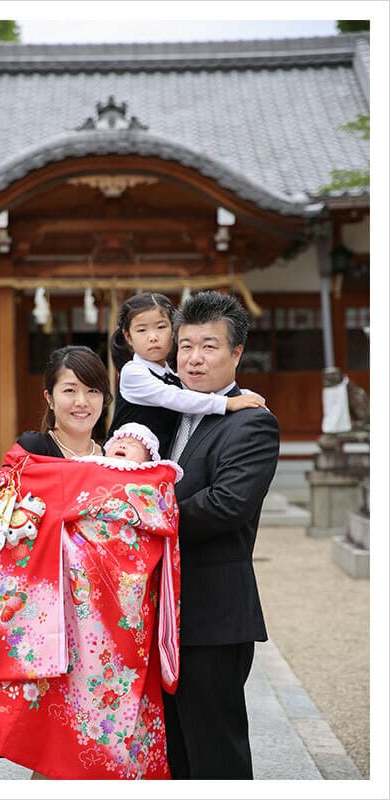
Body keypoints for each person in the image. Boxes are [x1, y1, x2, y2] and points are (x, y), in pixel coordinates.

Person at [0, 346, 182, 779]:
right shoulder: (31, 453)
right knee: (55, 740)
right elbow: (3, 534)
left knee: (114, 738)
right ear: (48, 397)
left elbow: (150, 526)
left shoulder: (123, 457)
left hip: (114, 626)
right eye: (70, 390)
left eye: (93, 391)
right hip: (52, 624)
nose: (82, 402)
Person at [160, 290, 280, 780]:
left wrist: (144, 518)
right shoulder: (167, 415)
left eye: (209, 346)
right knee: (173, 749)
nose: (193, 358)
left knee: (216, 752)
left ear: (236, 354)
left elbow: (227, 505)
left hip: (213, 613)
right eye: (185, 345)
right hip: (163, 613)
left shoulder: (252, 423)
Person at [107, 291, 266, 457]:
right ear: (128, 337)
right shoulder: (133, 373)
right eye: (141, 330)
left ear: (173, 333)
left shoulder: (170, 376)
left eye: (161, 327)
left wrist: (245, 396)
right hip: (123, 459)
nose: (153, 337)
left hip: (153, 466)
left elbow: (193, 395)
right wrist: (228, 403)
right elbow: (175, 397)